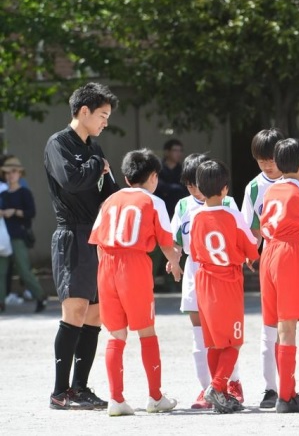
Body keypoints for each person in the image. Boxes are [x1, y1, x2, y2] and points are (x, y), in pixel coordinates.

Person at [88, 149, 182, 416]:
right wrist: (175, 263)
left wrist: (106, 271)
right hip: (134, 266)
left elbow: (97, 240)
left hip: (107, 265)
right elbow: (165, 242)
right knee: (146, 331)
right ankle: (155, 397)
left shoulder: (110, 200)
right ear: (153, 177)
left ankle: (116, 399)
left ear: (127, 178)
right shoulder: (154, 201)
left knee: (116, 335)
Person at [241, 129, 299, 407]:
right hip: (292, 255)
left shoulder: (273, 190)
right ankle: (284, 394)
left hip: (271, 254)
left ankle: (289, 389)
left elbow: (262, 228)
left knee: (279, 324)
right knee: (288, 326)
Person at [44, 82, 119, 410]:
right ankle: (59, 392)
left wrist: (105, 176)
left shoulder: (95, 148)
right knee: (74, 309)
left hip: (96, 236)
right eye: (103, 115)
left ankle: (80, 388)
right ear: (84, 111)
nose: (105, 122)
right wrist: (96, 166)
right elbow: (70, 181)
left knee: (95, 314)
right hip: (72, 235)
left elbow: (109, 192)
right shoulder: (58, 143)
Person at [169, 153, 244, 408]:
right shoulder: (183, 206)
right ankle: (207, 388)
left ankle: (232, 383)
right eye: (190, 186)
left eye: (198, 184)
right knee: (200, 333)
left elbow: (240, 235)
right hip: (196, 270)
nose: (195, 191)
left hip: (224, 271)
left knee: (228, 334)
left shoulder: (227, 202)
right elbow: (175, 241)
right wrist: (174, 260)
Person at [190, 159, 259, 414]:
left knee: (214, 343)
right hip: (227, 280)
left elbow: (194, 252)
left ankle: (217, 392)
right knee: (234, 341)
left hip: (204, 280)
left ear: (199, 188)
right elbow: (251, 247)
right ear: (225, 189)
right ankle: (217, 386)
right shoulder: (232, 214)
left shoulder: (195, 217)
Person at [0, 156, 47, 312]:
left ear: (19, 173)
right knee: (1, 271)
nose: (10, 175)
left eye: (13, 172)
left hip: (18, 236)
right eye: (7, 173)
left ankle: (40, 297)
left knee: (23, 270)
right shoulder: (3, 194)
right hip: (4, 237)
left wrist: (14, 212)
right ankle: (1, 302)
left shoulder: (24, 193)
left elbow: (31, 213)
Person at [156, 139, 188, 215]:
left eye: (180, 151)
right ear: (167, 152)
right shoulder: (158, 168)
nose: (178, 154)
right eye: (175, 150)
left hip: (177, 210)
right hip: (160, 209)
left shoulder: (183, 170)